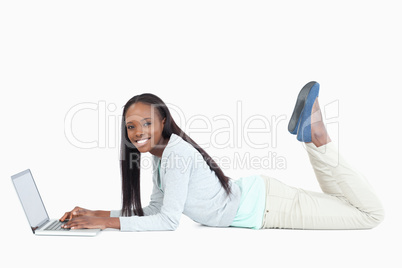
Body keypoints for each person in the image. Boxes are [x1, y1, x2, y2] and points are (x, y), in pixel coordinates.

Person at [60, 81, 384, 231]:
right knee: (344, 202)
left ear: (163, 121)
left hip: (270, 208)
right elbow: (160, 209)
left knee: (370, 216)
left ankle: (318, 137)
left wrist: (103, 222)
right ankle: (314, 137)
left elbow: (168, 222)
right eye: (131, 126)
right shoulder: (163, 156)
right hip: (263, 198)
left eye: (146, 122)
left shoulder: (175, 155)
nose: (138, 131)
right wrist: (98, 213)